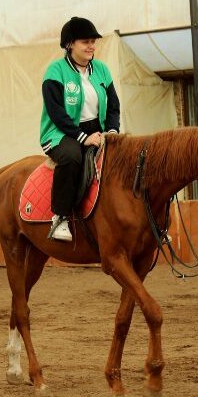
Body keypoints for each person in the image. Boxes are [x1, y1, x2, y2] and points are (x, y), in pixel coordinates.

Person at [40, 16, 120, 242]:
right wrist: (82, 137)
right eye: (85, 41)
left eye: (93, 41)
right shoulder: (55, 71)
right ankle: (60, 217)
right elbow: (56, 113)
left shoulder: (102, 70)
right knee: (73, 157)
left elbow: (113, 106)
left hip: (99, 130)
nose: (91, 46)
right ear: (69, 44)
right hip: (60, 132)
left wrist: (112, 131)